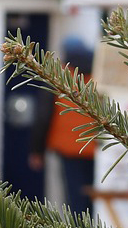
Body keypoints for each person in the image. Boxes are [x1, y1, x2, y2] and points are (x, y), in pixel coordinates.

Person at [30, 38, 96, 216]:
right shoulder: (97, 76)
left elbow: (43, 115)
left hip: (67, 147)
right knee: (93, 197)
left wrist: (37, 150)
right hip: (94, 147)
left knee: (74, 198)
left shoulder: (58, 77)